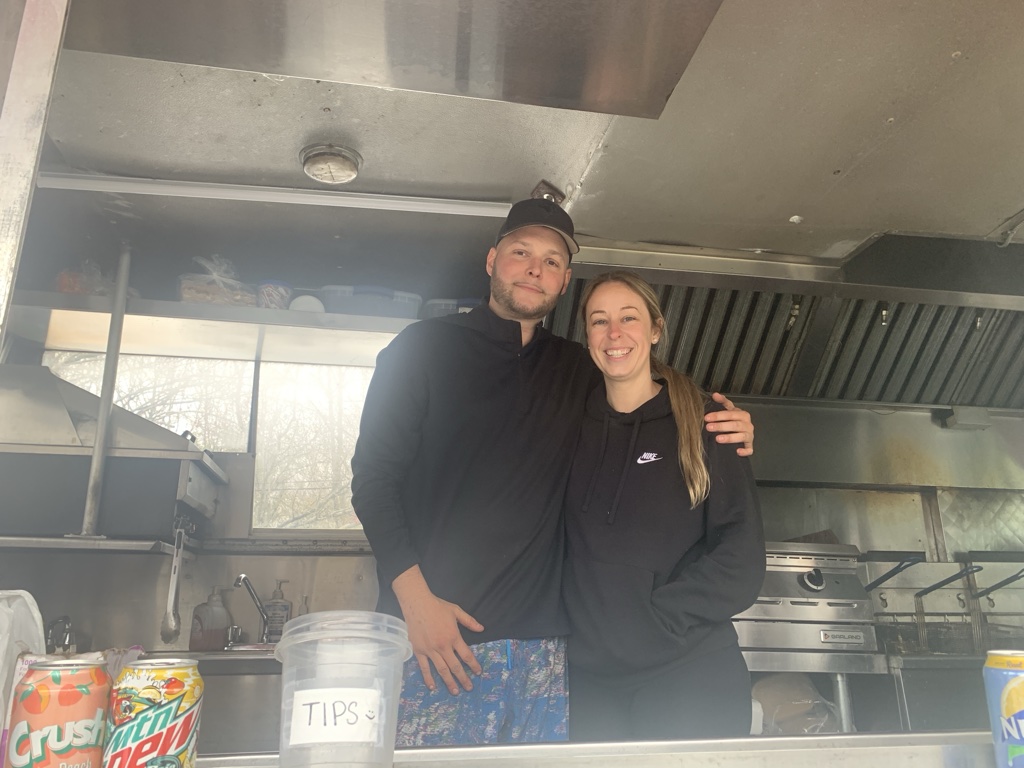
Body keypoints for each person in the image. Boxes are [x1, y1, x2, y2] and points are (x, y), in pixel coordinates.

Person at [350, 199, 755, 747]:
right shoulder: (419, 350)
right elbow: (372, 480)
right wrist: (414, 605)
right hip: (441, 641)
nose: (535, 268)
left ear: (564, 283)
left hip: (548, 653)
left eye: (552, 260)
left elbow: (642, 383)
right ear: (493, 260)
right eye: (521, 253)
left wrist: (730, 423)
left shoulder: (576, 368)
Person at [562, 270, 765, 742]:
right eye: (599, 320)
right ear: (587, 336)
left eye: (628, 318)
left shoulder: (707, 422)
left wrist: (657, 620)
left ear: (655, 330)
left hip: (687, 671)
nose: (614, 334)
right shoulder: (570, 423)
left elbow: (742, 555)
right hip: (591, 680)